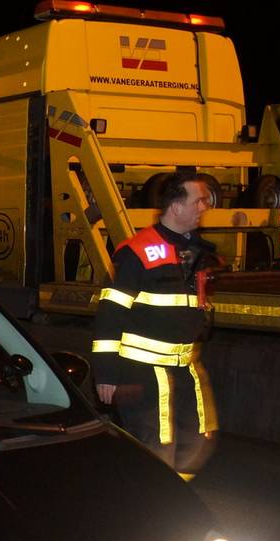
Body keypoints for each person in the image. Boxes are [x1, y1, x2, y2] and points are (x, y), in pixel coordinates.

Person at [92, 172, 220, 479]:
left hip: (185, 369)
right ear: (176, 207)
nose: (204, 206)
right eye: (198, 200)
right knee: (155, 449)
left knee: (198, 440)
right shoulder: (136, 253)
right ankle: (151, 511)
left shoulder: (200, 253)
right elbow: (110, 314)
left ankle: (176, 504)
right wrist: (106, 374)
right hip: (142, 375)